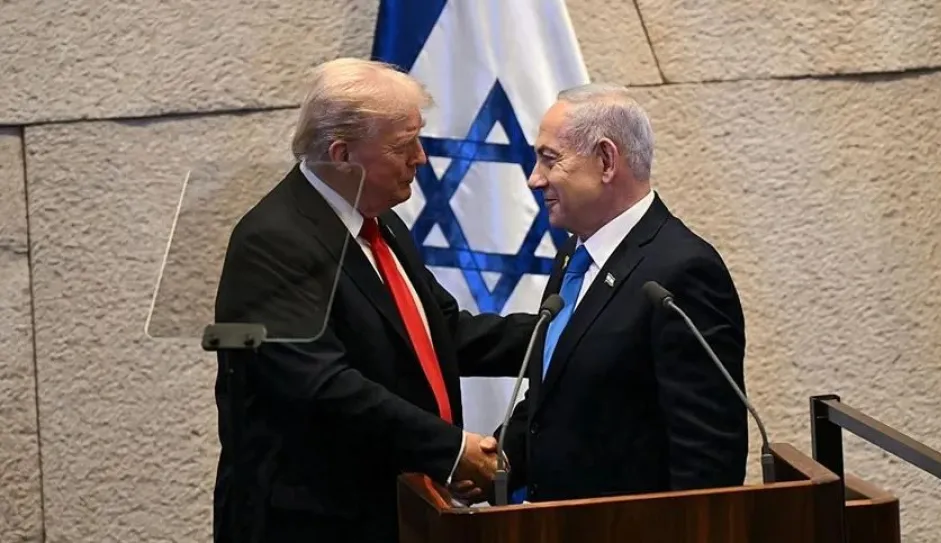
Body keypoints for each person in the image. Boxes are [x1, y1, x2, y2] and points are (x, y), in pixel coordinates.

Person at [211, 58, 537, 543]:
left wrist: (568, 332)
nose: (421, 158)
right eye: (404, 145)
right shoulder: (273, 241)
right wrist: (451, 450)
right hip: (313, 524)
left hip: (397, 510)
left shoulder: (379, 223)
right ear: (341, 154)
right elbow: (324, 386)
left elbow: (444, 333)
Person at [497, 83, 748, 503]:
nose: (533, 179)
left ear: (606, 161)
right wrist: (497, 460)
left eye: (549, 159)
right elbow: (555, 397)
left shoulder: (682, 272)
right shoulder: (574, 254)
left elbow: (707, 461)